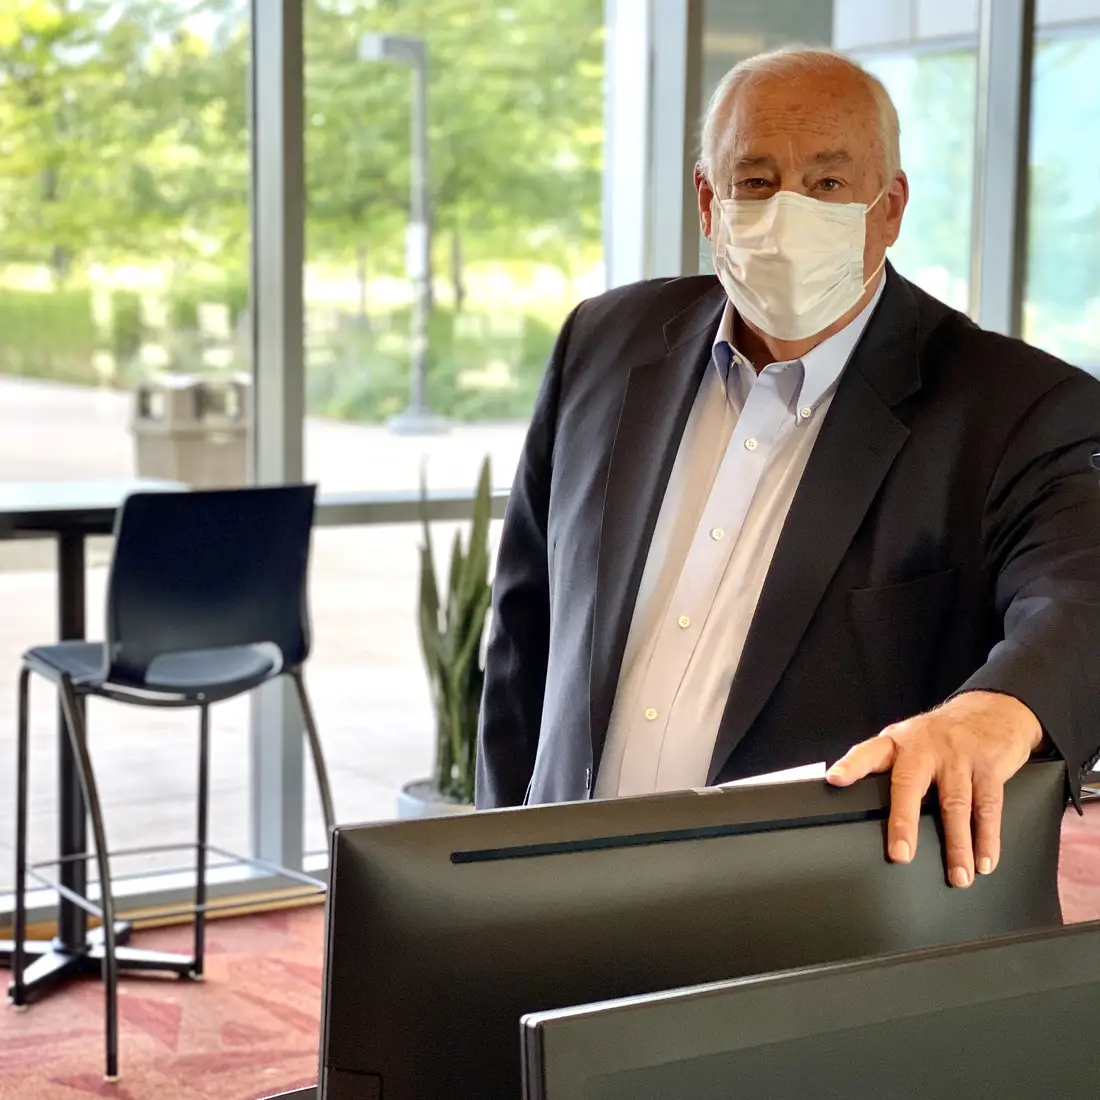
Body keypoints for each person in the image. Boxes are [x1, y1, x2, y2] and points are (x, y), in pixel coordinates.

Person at [475, 46, 1100, 889]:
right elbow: (525, 638)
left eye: (830, 185)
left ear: (891, 209)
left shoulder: (1016, 405)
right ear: (708, 200)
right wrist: (488, 875)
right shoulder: (601, 346)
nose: (788, 211)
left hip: (815, 934)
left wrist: (997, 709)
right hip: (567, 900)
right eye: (756, 181)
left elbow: (1082, 590)